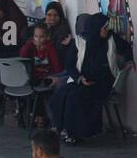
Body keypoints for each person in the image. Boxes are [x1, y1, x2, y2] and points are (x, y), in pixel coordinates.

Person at [47, 13, 120, 144]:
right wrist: (80, 78)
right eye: (104, 28)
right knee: (61, 93)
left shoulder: (111, 39)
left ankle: (75, 133)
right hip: (82, 80)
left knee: (75, 97)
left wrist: (130, 60)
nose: (106, 30)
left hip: (102, 84)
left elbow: (125, 48)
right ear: (95, 28)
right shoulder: (80, 43)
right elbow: (69, 65)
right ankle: (59, 127)